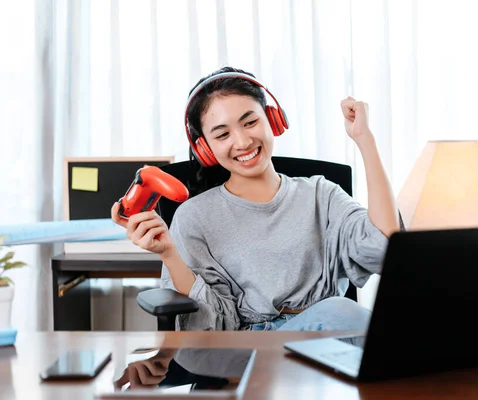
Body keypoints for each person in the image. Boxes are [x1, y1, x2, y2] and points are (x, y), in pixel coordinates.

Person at [111, 66, 400, 331]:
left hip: (330, 338)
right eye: (222, 134)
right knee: (349, 317)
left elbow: (385, 247)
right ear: (206, 150)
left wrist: (364, 139)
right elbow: (211, 324)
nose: (242, 142)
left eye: (249, 122)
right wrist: (168, 254)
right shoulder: (193, 217)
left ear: (272, 119)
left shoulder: (320, 194)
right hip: (252, 348)